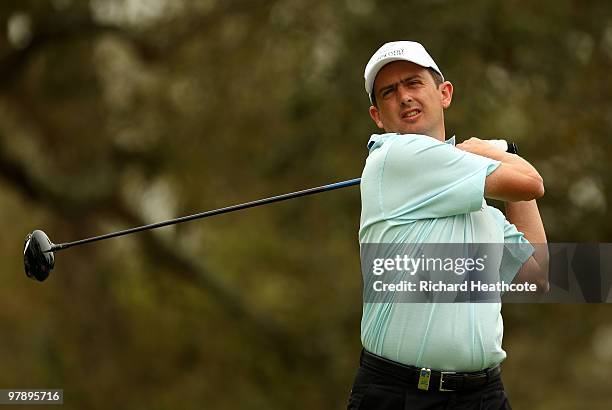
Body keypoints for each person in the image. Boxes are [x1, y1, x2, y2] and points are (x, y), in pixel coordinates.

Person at [348, 41, 549, 409]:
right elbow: (531, 182)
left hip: (483, 395)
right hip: (400, 394)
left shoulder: (478, 208)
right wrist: (494, 152)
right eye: (390, 91)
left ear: (444, 93)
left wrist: (503, 157)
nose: (404, 97)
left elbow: (534, 276)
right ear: (377, 115)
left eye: (413, 83)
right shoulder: (394, 155)